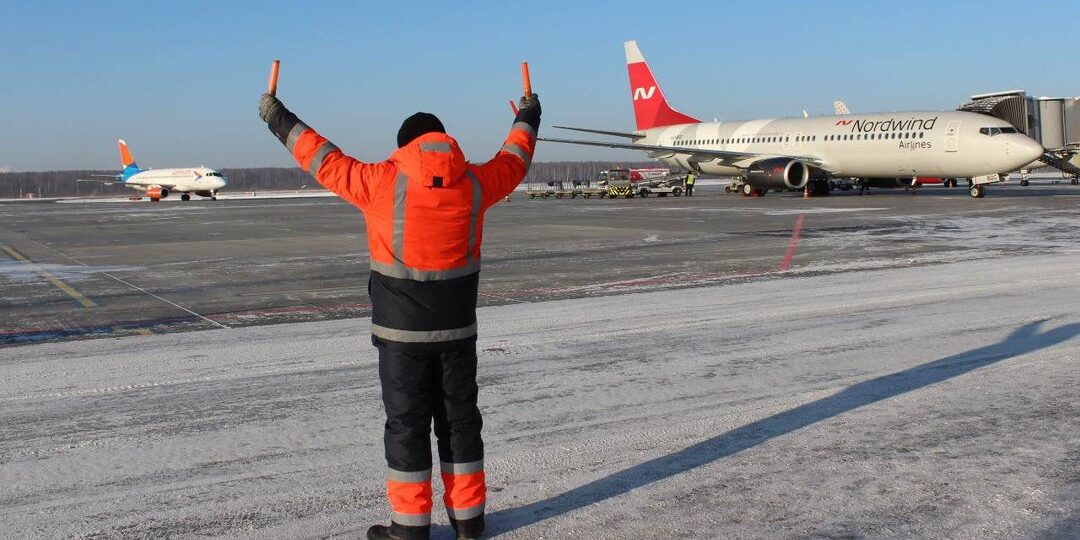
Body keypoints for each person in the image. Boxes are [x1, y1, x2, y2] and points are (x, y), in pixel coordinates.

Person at [259, 91, 541, 540]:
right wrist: (529, 115)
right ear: (444, 142)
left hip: (400, 336)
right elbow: (516, 157)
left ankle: (410, 530)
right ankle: (469, 522)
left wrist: (277, 117)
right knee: (460, 421)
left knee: (407, 427)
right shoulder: (475, 183)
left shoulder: (379, 181)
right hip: (457, 331)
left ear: (404, 145)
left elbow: (319, 156)